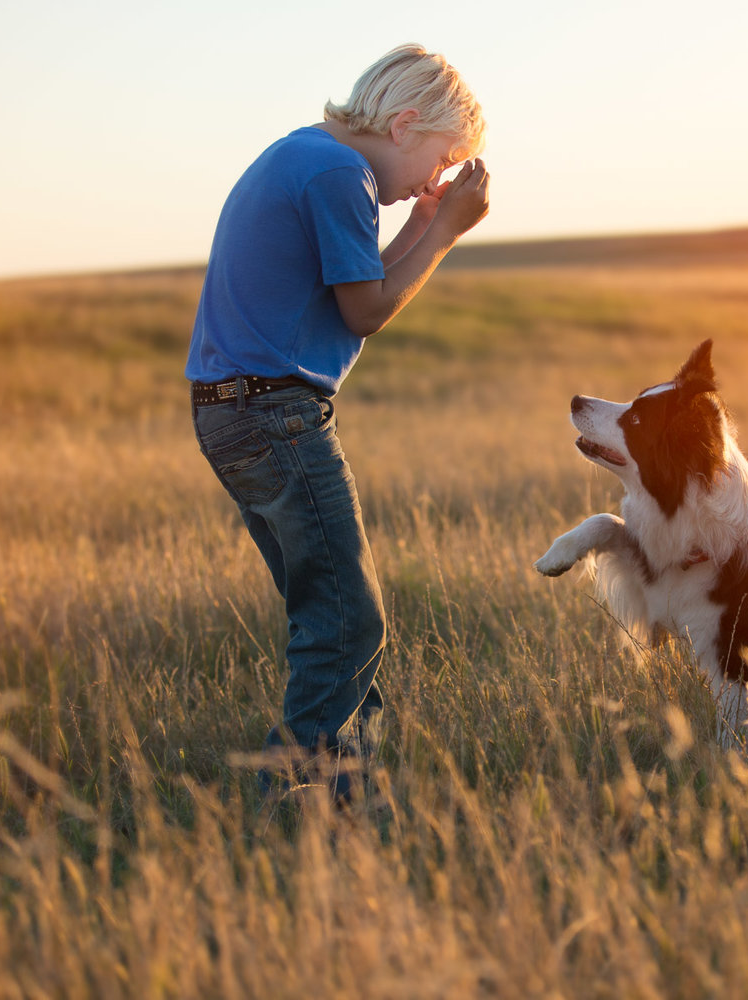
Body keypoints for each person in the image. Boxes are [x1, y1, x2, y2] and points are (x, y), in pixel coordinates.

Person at [186, 44, 489, 803]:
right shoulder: (337, 175)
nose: (435, 179)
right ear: (406, 123)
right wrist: (446, 229)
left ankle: (355, 808)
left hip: (240, 411)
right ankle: (275, 799)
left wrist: (424, 220)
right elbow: (370, 309)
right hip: (274, 412)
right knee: (351, 623)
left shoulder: (314, 159)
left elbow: (362, 281)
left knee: (335, 617)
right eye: (440, 159)